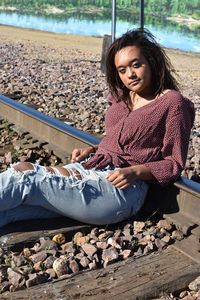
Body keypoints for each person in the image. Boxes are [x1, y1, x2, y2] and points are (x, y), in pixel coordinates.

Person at [0, 29, 195, 227]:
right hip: (92, 168)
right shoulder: (121, 95)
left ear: (152, 62)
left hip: (121, 190)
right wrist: (94, 150)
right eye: (122, 70)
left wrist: (135, 172)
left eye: (136, 65)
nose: (130, 75)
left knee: (24, 176)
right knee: (10, 211)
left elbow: (173, 163)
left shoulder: (173, 102)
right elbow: (122, 139)